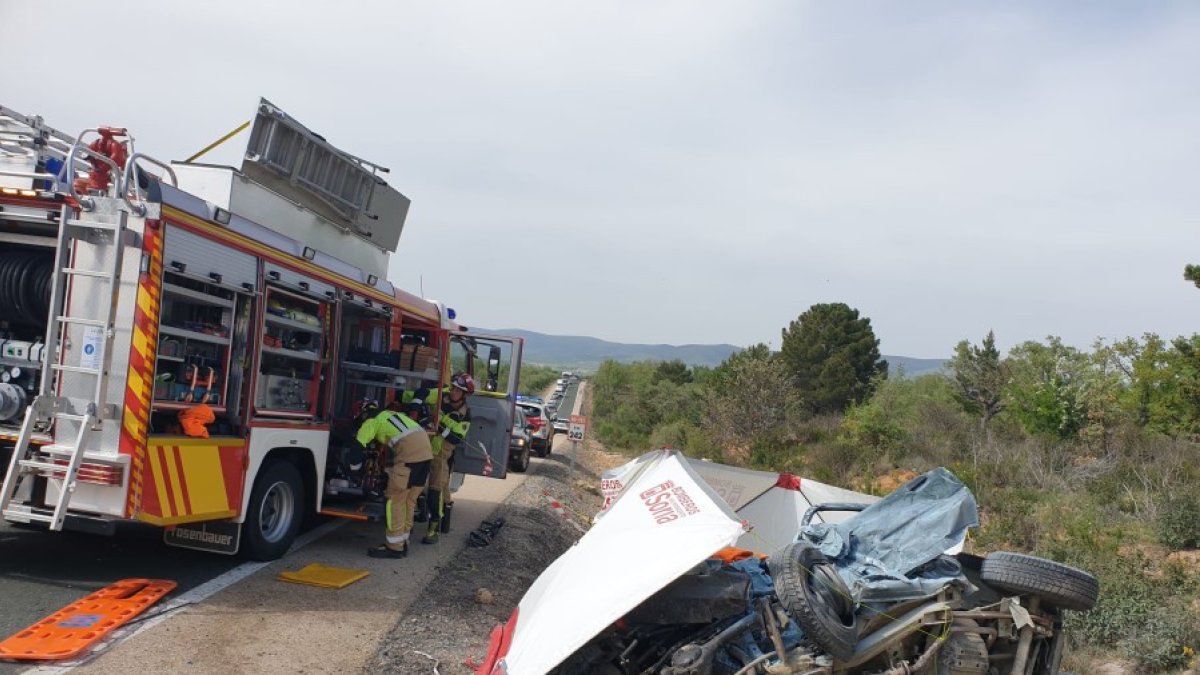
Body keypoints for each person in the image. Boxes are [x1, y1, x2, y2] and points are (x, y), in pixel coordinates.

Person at [353, 398, 434, 558]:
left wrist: (354, 470)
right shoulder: (389, 414)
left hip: (409, 455)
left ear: (362, 414)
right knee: (409, 500)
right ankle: (403, 542)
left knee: (394, 500)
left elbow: (357, 450)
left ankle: (394, 547)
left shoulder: (371, 421)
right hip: (426, 453)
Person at [405, 372, 473, 544]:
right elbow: (423, 393)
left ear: (464, 395)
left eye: (459, 390)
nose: (454, 392)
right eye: (454, 388)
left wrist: (438, 424)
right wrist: (415, 407)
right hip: (421, 448)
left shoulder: (466, 415)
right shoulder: (442, 394)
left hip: (441, 456)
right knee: (412, 485)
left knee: (436, 491)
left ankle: (433, 529)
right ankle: (408, 522)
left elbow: (456, 438)